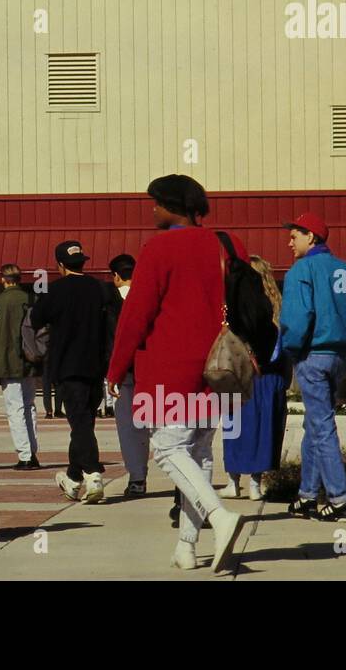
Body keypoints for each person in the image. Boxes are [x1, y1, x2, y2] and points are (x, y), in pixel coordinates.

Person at [107, 174, 247, 573]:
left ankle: (220, 518)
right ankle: (186, 547)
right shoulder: (227, 243)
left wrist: (116, 367)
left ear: (172, 206)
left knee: (168, 449)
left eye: (156, 203)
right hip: (220, 365)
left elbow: (136, 315)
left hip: (171, 365)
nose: (152, 210)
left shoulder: (159, 248)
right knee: (198, 453)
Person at [280, 212, 346, 523]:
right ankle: (306, 497)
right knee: (315, 426)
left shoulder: (300, 271)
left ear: (311, 237)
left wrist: (290, 350)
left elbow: (297, 318)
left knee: (322, 427)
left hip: (312, 354)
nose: (289, 240)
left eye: (295, 235)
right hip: (339, 356)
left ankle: (340, 500)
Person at [30, 240, 108, 504]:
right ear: (83, 262)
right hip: (96, 366)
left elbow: (35, 319)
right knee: (85, 422)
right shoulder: (100, 289)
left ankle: (93, 474)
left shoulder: (55, 291)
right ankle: (73, 479)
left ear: (60, 265)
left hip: (67, 366)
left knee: (80, 423)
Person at [221, 256, 291, 501]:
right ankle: (255, 485)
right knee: (263, 430)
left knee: (235, 429)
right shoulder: (279, 308)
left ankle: (233, 482)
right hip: (270, 379)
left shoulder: (241, 307)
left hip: (242, 377)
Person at [106, 253, 150, 497]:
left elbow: (113, 341)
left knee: (129, 427)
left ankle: (137, 477)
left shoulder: (109, 303)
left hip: (125, 373)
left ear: (115, 276)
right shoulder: (150, 297)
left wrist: (112, 371)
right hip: (152, 369)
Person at [0, 264, 40, 470]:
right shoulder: (30, 300)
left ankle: (25, 454)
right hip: (29, 360)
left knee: (15, 409)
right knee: (29, 406)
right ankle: (32, 451)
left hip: (8, 361)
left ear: (3, 279)